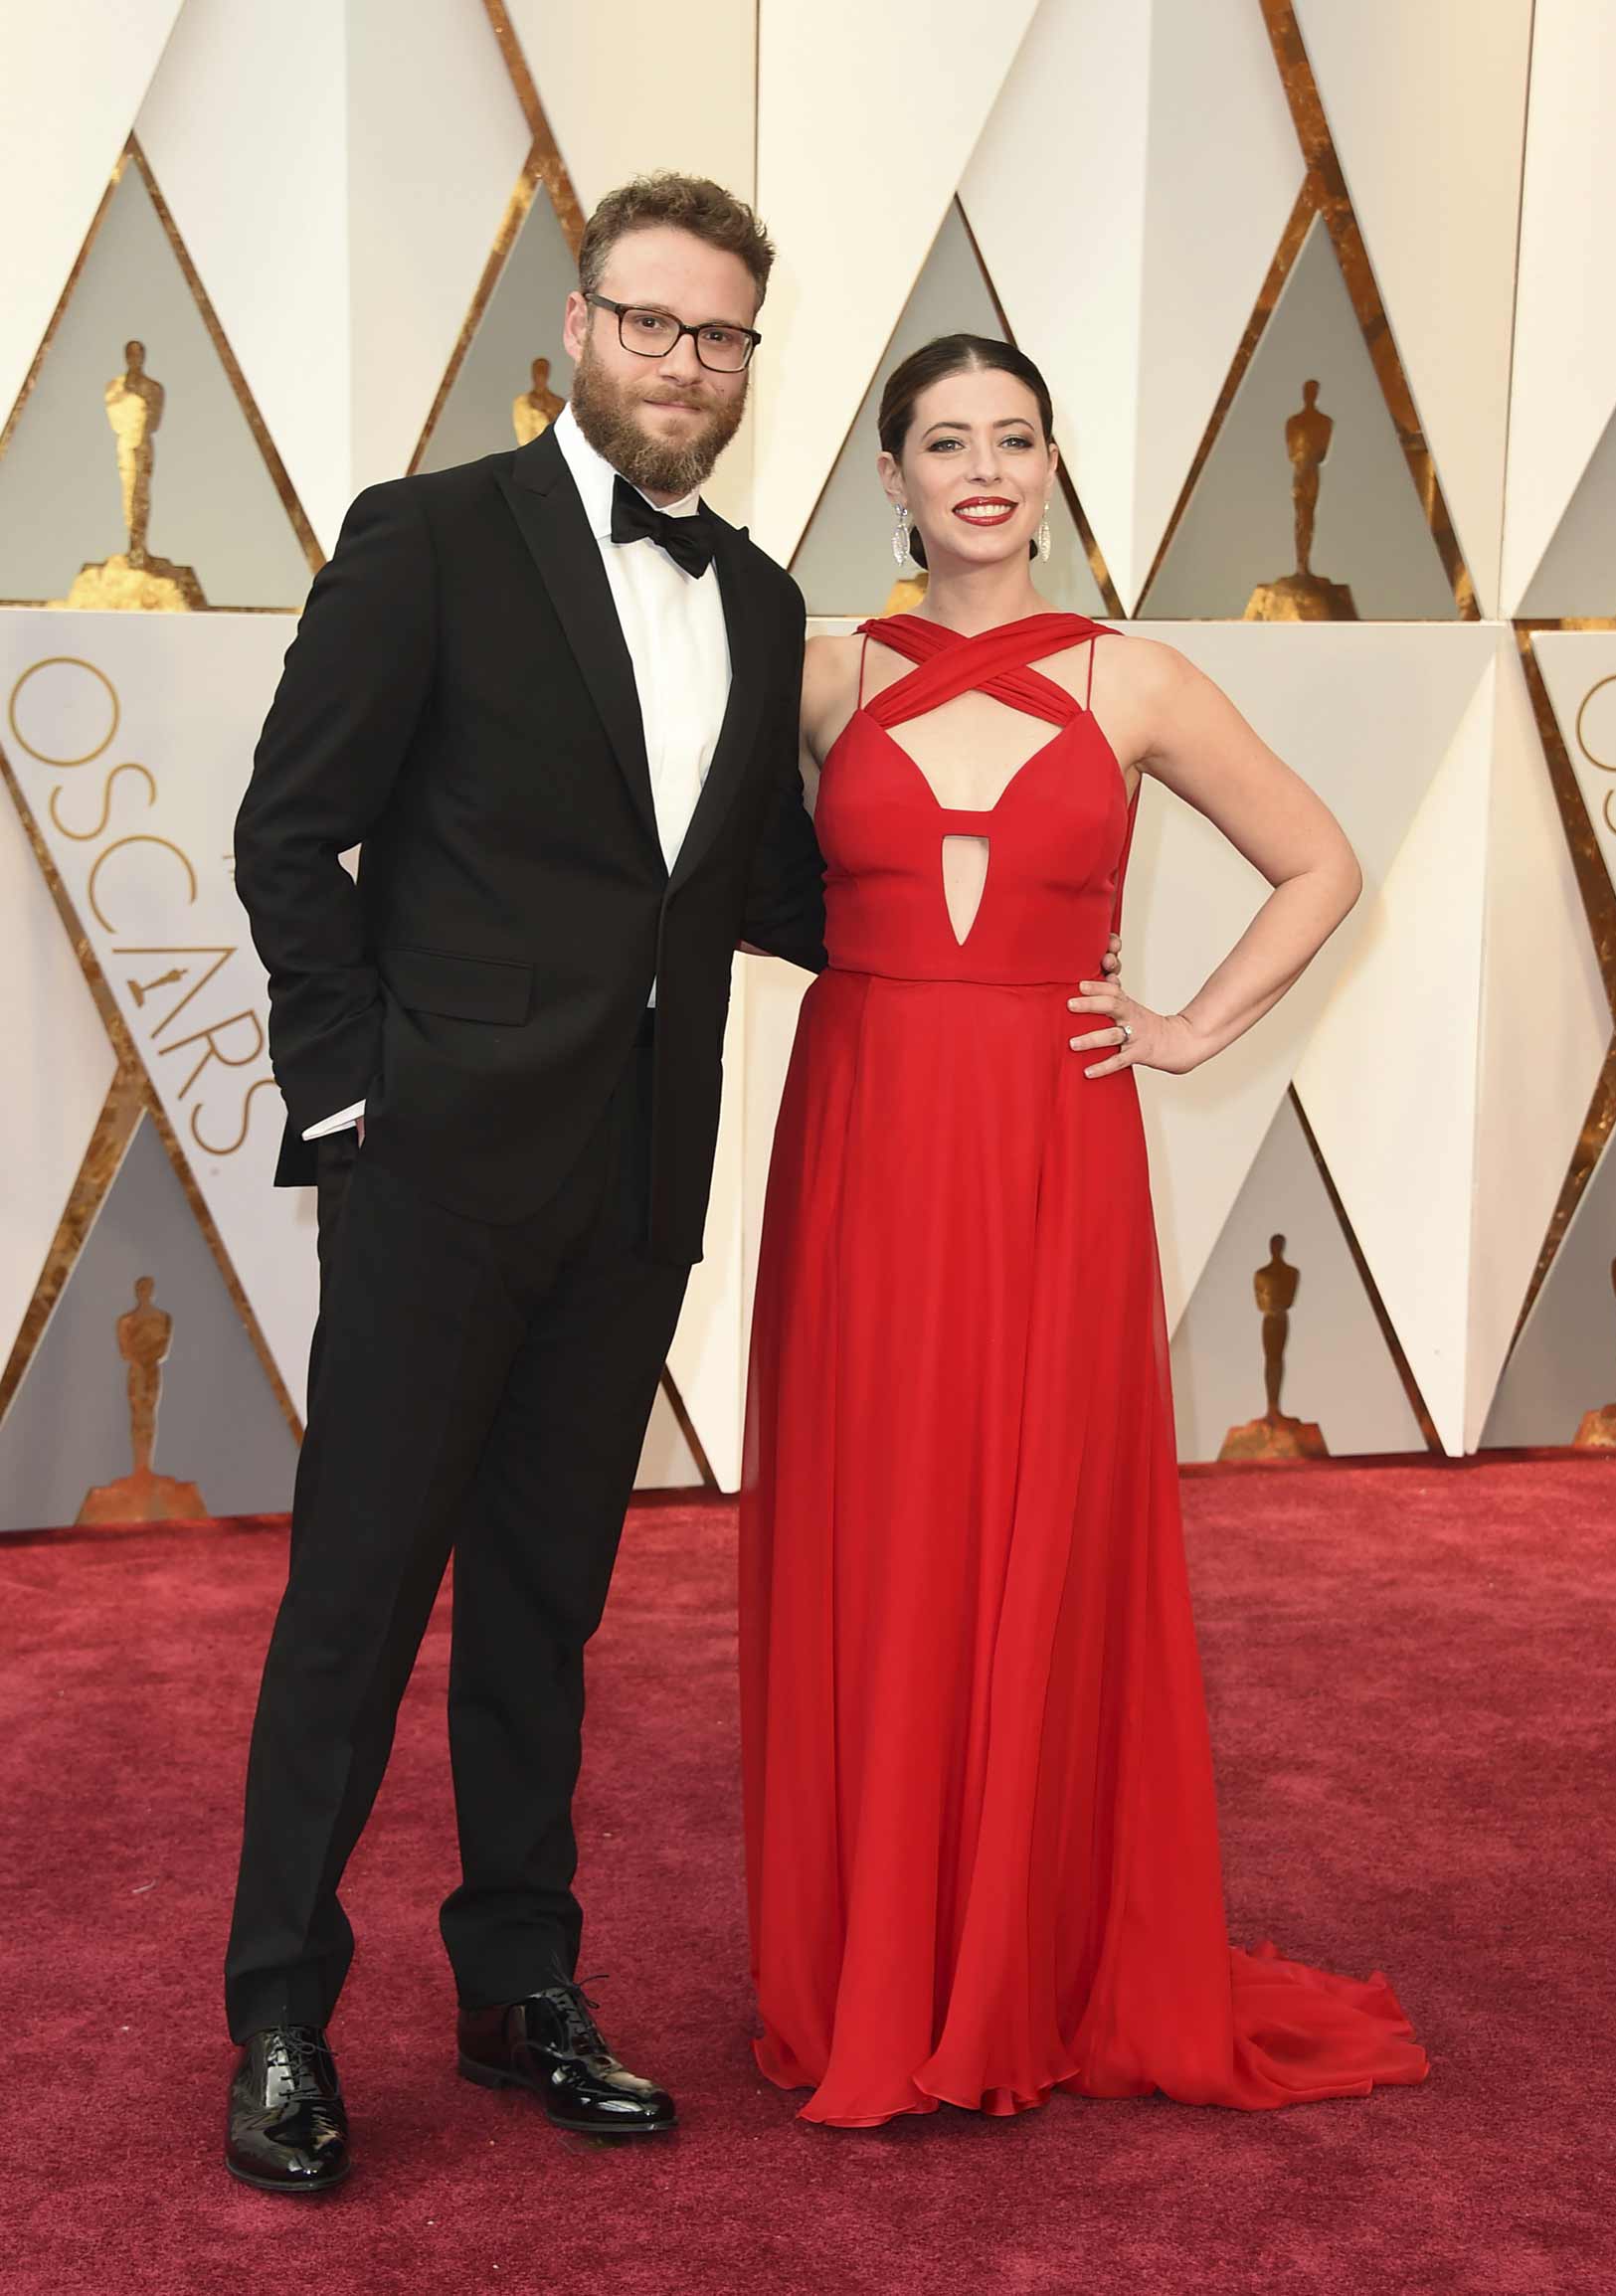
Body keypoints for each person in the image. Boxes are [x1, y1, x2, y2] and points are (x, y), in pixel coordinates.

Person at [740, 333, 1431, 2127]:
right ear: (887, 477)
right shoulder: (817, 674)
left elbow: (1321, 858)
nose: (984, 469)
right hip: (869, 1130)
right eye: (945, 441)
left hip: (1054, 1140)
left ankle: (1031, 1953)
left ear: (1052, 469)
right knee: (883, 1520)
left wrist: (1191, 1025)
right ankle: (884, 1952)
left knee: (1040, 1518)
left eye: (1016, 439)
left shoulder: (1135, 680)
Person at [223, 171, 829, 2192]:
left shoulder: (755, 597)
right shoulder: (429, 540)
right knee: (356, 1605)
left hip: (637, 1185)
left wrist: (1004, 940)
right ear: (577, 329)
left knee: (546, 1613)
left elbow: (763, 890)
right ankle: (285, 2017)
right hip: (437, 1175)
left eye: (721, 334)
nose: (684, 363)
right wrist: (348, 1103)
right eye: (651, 323)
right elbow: (288, 832)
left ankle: (517, 1990)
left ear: (751, 359)